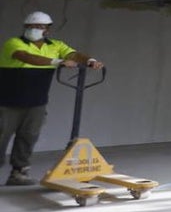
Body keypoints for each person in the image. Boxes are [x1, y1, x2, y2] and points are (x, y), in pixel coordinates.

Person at [0, 11, 104, 186]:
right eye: (30, 26)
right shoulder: (14, 43)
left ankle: (19, 173)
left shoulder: (56, 45)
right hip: (6, 103)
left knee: (28, 137)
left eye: (39, 27)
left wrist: (90, 61)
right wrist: (56, 62)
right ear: (25, 27)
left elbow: (73, 54)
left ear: (47, 30)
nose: (34, 29)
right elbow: (26, 57)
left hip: (36, 103)